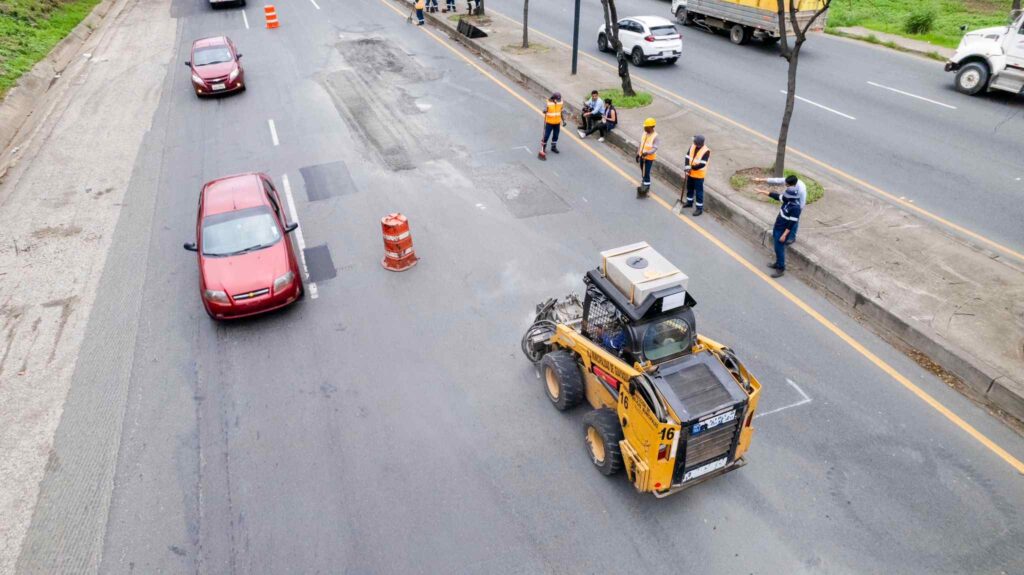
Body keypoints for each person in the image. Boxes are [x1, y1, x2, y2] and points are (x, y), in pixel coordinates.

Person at [757, 183, 802, 278]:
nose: (785, 196)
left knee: (779, 249)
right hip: (777, 227)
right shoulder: (788, 200)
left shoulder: (796, 208)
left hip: (782, 231)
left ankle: (781, 268)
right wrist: (763, 192)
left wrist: (784, 235)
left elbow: (791, 224)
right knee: (777, 248)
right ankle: (777, 263)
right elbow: (776, 196)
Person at [753, 174, 805, 242]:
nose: (785, 185)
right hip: (790, 202)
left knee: (794, 221)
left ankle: (791, 237)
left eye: (787, 185)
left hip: (798, 205)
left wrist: (798, 212)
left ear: (792, 185)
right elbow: (776, 181)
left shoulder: (801, 190)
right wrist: (760, 180)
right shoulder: (789, 182)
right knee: (787, 218)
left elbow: (802, 202)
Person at [683, 134, 710, 216]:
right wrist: (687, 166)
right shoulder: (692, 146)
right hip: (690, 173)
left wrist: (691, 167)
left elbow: (702, 164)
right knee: (689, 188)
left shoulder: (706, 151)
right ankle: (689, 202)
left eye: (694, 141)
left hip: (699, 175)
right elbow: (687, 156)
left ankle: (699, 208)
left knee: (699, 192)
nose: (693, 142)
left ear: (698, 143)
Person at [538, 92, 567, 161]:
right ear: (553, 98)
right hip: (549, 123)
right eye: (557, 99)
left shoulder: (560, 102)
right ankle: (543, 147)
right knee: (546, 136)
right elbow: (544, 110)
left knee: (556, 135)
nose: (559, 100)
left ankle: (553, 147)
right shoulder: (548, 103)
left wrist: (564, 120)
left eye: (559, 99)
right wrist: (544, 111)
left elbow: (561, 112)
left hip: (557, 123)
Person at [636, 118, 658, 197]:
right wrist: (638, 153)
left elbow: (655, 148)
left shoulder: (655, 136)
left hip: (649, 158)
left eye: (646, 127)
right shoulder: (644, 133)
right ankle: (644, 181)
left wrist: (647, 153)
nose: (644, 128)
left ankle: (647, 186)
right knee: (642, 170)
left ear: (651, 127)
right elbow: (641, 143)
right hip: (642, 155)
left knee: (646, 172)